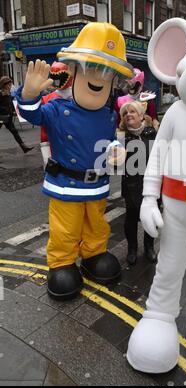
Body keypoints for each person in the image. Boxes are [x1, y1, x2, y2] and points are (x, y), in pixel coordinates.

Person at [15, 22, 133, 300]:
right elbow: (33, 115)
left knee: (96, 224)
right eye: (93, 70)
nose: (99, 79)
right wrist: (29, 95)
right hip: (66, 184)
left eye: (107, 74)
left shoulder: (108, 115)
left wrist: (117, 148)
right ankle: (62, 262)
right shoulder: (57, 109)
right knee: (65, 229)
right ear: (74, 71)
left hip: (97, 185)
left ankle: (93, 255)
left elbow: (109, 139)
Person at [119, 101, 158, 265]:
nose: (128, 114)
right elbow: (116, 165)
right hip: (131, 184)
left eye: (132, 111)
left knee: (152, 217)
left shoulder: (153, 133)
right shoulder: (122, 136)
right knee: (131, 218)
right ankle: (132, 249)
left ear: (142, 115)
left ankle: (149, 247)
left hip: (152, 184)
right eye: (125, 113)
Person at [0, 76, 34, 153]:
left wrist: (12, 111)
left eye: (10, 84)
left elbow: (10, 103)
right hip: (1, 117)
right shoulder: (1, 93)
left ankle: (24, 147)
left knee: (15, 132)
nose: (10, 86)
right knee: (14, 132)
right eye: (8, 84)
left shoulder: (8, 93)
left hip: (8, 117)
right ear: (3, 85)